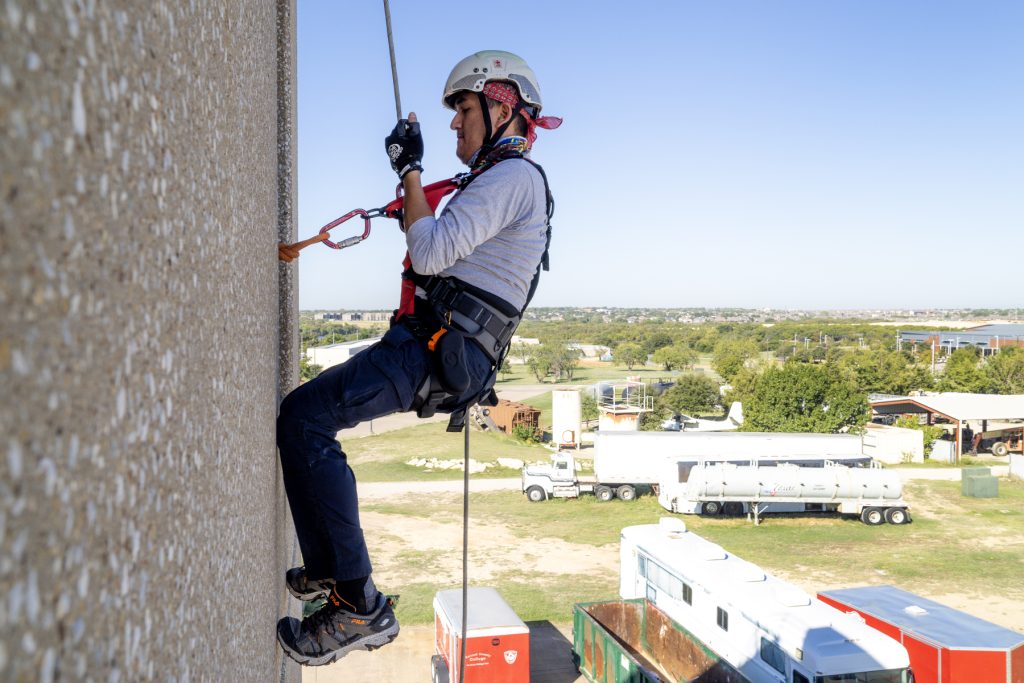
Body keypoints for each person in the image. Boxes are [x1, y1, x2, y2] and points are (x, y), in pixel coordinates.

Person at [275, 50, 560, 666]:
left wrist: (410, 168)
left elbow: (430, 253)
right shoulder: (500, 181)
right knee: (306, 420)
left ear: (500, 104)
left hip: (431, 348)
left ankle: (359, 605)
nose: (455, 123)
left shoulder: (513, 179)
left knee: (304, 421)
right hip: (435, 346)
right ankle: (330, 569)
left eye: (462, 109)